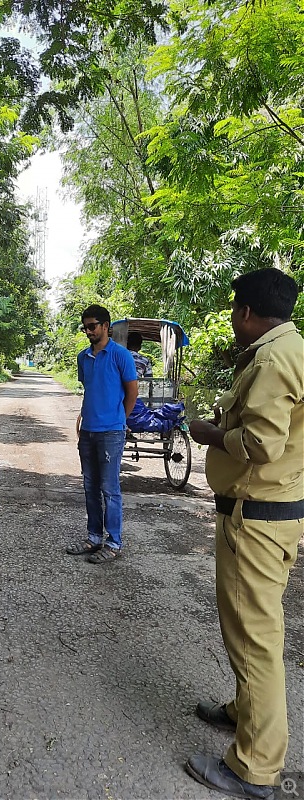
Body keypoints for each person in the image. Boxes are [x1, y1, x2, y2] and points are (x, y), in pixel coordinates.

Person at [187, 268, 303, 799]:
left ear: (247, 312)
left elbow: (260, 444)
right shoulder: (291, 348)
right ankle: (243, 710)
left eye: (235, 309)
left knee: (256, 639)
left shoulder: (275, 358)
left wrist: (213, 433)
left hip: (256, 520)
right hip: (268, 512)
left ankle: (253, 767)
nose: (234, 319)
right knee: (247, 627)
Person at [66, 305, 138, 563]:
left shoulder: (121, 356)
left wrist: (119, 420)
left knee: (110, 489)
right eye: (84, 327)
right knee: (90, 486)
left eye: (92, 326)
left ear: (105, 326)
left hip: (111, 433)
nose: (88, 331)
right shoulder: (83, 358)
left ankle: (114, 542)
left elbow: (132, 393)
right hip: (88, 432)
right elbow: (90, 387)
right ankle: (93, 537)